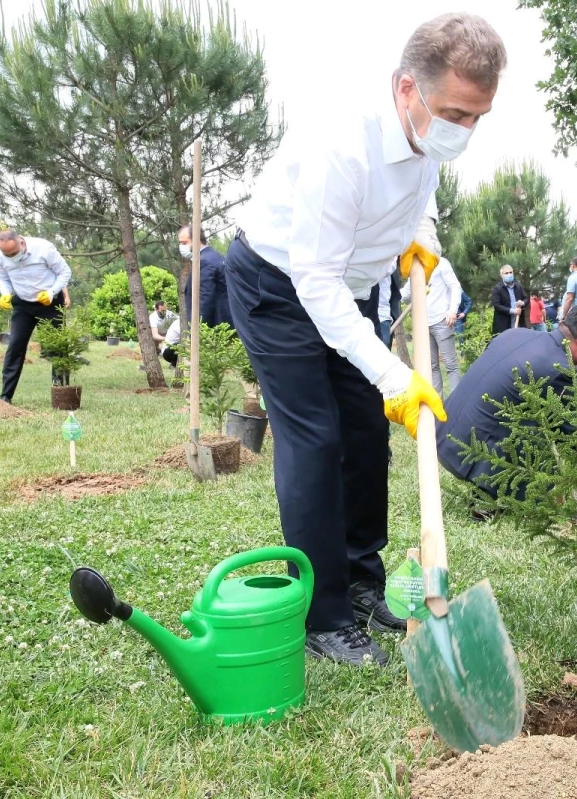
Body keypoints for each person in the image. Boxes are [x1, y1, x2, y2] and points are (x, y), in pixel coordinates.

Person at [226, 14, 505, 666]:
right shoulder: (343, 147)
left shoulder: (427, 136)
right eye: (455, 114)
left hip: (348, 289)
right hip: (279, 285)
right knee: (315, 438)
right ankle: (323, 616)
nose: (464, 130)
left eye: (478, 117)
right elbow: (314, 281)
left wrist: (420, 234)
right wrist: (392, 373)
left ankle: (360, 581)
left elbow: (417, 191)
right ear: (407, 89)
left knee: (364, 432)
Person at [437, 301, 577, 498]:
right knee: (542, 444)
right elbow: (575, 435)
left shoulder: (515, 334)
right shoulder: (559, 370)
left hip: (443, 434)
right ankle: (489, 500)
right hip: (467, 455)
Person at [0, 230, 72, 403]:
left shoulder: (44, 248)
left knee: (57, 347)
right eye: (7, 255)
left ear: (21, 243)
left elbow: (65, 272)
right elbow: (3, 278)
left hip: (49, 303)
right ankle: (5, 396)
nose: (10, 257)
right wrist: (5, 293)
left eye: (13, 253)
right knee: (15, 346)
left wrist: (52, 292)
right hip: (22, 304)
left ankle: (60, 393)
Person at [401, 254, 464, 395]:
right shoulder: (415, 265)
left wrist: (452, 311)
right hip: (423, 325)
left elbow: (455, 287)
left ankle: (455, 402)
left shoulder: (441, 263)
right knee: (432, 366)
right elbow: (405, 294)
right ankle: (438, 403)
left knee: (451, 365)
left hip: (442, 320)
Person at [178, 225, 230, 328]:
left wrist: (199, 330)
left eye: (184, 243)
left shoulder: (204, 262)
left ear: (196, 240)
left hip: (215, 328)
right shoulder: (217, 257)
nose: (181, 247)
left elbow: (204, 301)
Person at [490, 264, 527, 335]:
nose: (509, 274)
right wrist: (513, 311)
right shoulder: (497, 289)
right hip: (504, 325)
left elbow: (526, 299)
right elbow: (497, 306)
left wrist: (523, 303)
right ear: (502, 275)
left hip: (519, 323)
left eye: (510, 272)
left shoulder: (519, 286)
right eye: (506, 273)